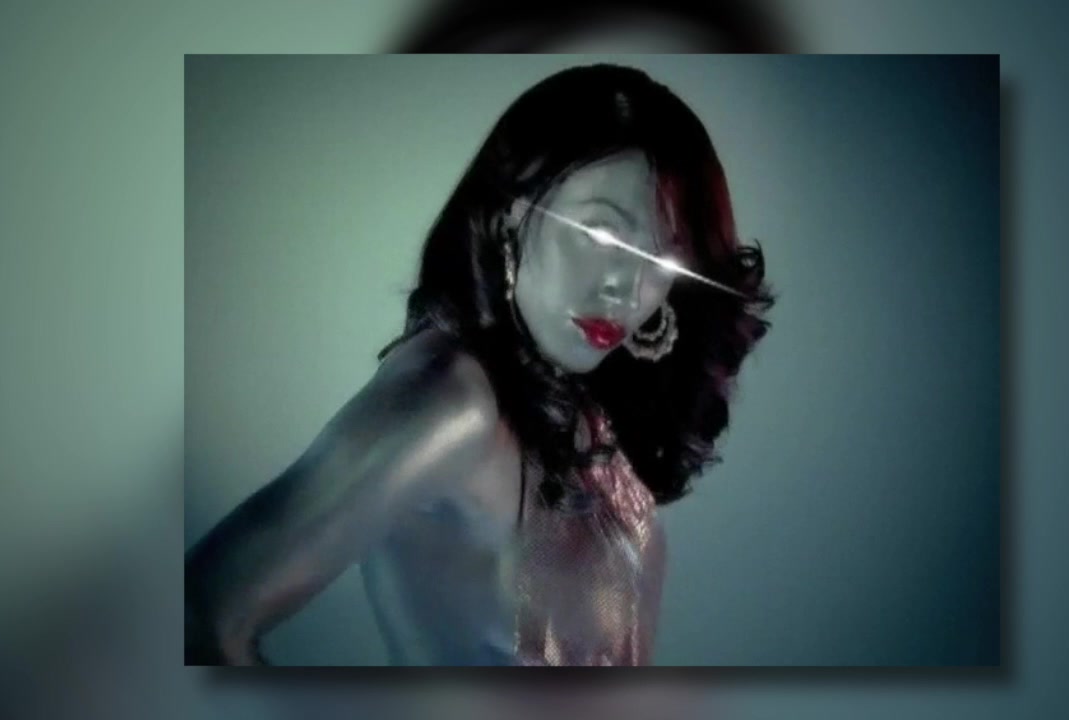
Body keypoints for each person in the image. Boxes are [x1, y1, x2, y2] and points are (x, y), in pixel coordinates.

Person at [184, 63, 773, 666]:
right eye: (601, 236)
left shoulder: (591, 415)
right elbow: (204, 613)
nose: (626, 287)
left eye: (665, 259)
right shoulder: (453, 399)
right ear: (513, 209)